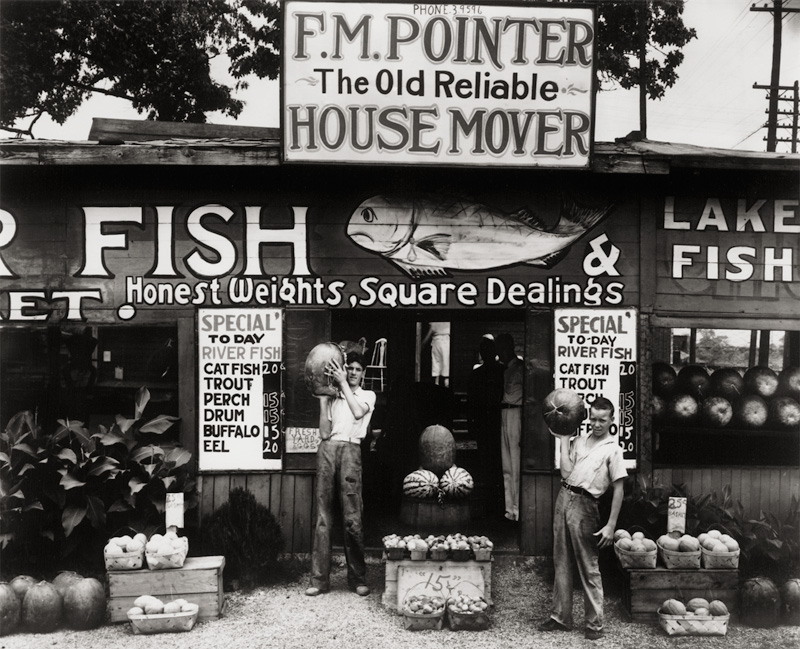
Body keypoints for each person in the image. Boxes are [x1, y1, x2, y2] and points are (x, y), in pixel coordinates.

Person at [538, 396, 626, 641]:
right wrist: (565, 439)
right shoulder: (579, 441)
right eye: (593, 419)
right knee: (561, 560)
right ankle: (561, 618)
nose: (597, 424)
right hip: (564, 497)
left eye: (602, 420)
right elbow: (566, 472)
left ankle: (595, 624)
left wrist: (610, 525)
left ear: (611, 420)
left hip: (587, 505)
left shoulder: (613, 450)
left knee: (588, 566)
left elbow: (619, 489)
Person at [306, 351, 376, 597]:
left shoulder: (367, 395)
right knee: (324, 518)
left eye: (358, 369)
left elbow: (358, 413)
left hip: (351, 450)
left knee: (352, 517)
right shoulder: (334, 396)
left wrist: (343, 382)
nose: (354, 373)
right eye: (351, 368)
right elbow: (324, 433)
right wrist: (324, 399)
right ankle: (319, 581)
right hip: (328, 449)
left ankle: (357, 578)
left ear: (363, 374)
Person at [467, 335, 505, 509]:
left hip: (499, 420)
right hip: (484, 421)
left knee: (498, 459)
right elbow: (471, 401)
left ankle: (498, 498)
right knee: (485, 459)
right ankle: (488, 499)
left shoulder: (503, 371)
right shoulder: (477, 374)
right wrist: (471, 423)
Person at [496, 333, 522, 521]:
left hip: (516, 413)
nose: (499, 353)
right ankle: (509, 509)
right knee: (507, 463)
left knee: (515, 462)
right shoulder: (505, 370)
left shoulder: (520, 368)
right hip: (505, 412)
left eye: (501, 349)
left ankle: (518, 508)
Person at [422, 321, 450, 387]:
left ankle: (438, 383)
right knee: (445, 362)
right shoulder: (447, 322)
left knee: (437, 362)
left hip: (438, 341)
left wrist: (423, 343)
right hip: (443, 341)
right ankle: (445, 383)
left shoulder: (435, 323)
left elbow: (429, 333)